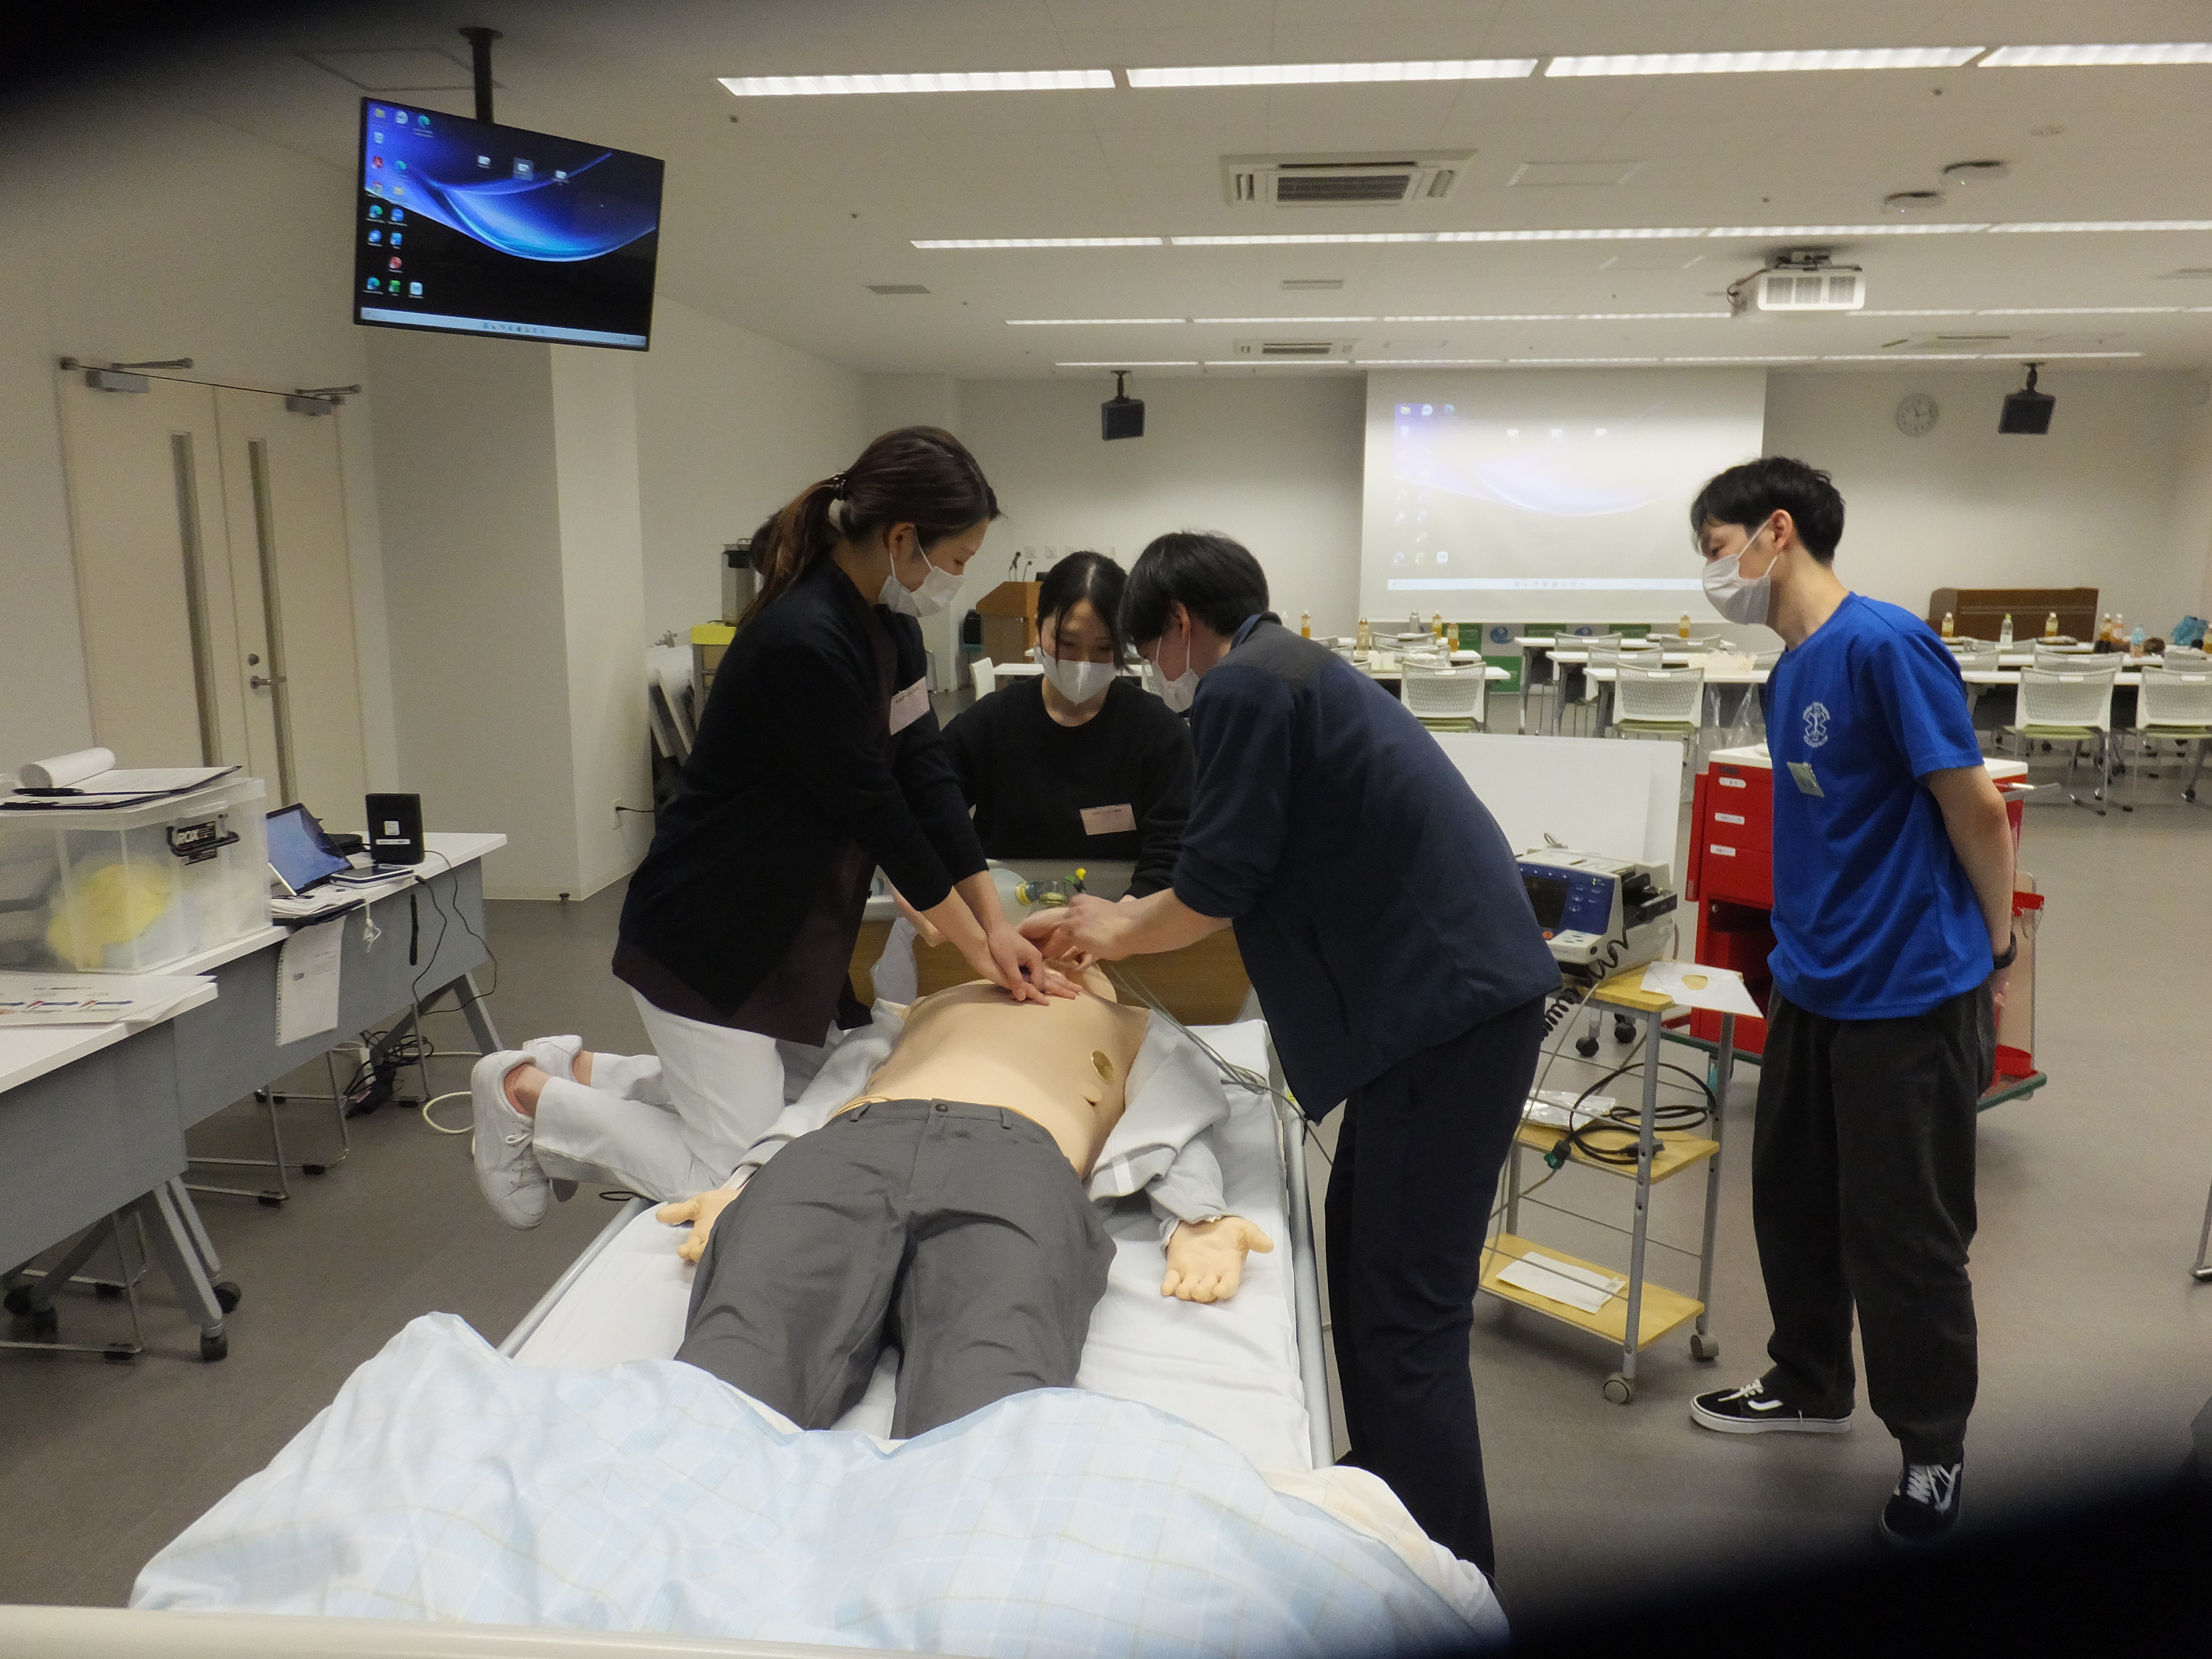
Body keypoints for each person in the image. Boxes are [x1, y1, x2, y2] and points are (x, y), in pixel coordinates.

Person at [1017, 531, 1561, 1575]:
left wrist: (1111, 929)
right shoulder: (1292, 671)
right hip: (1441, 1015)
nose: (1150, 677)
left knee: (1404, 1315)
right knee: (1357, 1258)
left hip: (1448, 1021)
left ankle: (1446, 1576)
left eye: (1143, 651)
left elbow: (1215, 886)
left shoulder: (1247, 686)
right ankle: (1389, 1491)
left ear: (1179, 625)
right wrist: (1116, 926)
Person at [467, 428, 1073, 1226]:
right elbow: (880, 812)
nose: (957, 580)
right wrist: (977, 949)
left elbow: (924, 774)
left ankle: (580, 1072)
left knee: (799, 1108)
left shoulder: (889, 624)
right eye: (957, 559)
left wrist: (994, 923)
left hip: (784, 923)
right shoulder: (804, 640)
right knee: (746, 1177)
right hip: (711, 933)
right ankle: (524, 1098)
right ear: (902, 539)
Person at [1683, 457, 2016, 1551]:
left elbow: (1974, 807)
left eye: (1716, 547)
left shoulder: (1883, 645)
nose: (1711, 571)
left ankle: (1930, 1443)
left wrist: (1996, 947)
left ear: (1775, 531)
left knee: (1904, 1232)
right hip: (1814, 979)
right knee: (1792, 1200)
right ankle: (1809, 1378)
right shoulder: (1790, 670)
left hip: (1909, 990)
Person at [657, 962, 1273, 1439]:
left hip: (1014, 1165)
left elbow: (1174, 1119)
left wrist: (1197, 1216)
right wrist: (745, 1183)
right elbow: (829, 1092)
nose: (1059, 952)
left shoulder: (1136, 1024)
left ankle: (955, 1549)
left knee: (991, 1385)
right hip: (848, 1146)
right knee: (738, 1359)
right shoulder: (922, 1008)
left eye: (1078, 946)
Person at [942, 550, 1193, 898]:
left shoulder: (1158, 734)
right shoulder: (989, 724)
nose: (1083, 663)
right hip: (1005, 908)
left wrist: (1120, 920)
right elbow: (932, 811)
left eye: (1104, 648)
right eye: (1067, 644)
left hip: (1121, 908)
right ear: (1038, 628)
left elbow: (1173, 850)